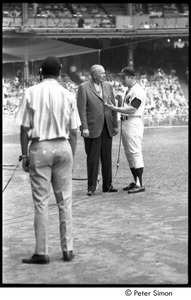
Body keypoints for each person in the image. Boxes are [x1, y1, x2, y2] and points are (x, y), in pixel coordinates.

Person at [14, 56, 81, 264]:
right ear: (59, 73)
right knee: (65, 201)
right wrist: (70, 153)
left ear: (41, 72)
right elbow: (74, 131)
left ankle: (42, 252)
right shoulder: (68, 94)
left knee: (41, 202)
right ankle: (68, 250)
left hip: (40, 147)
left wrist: (25, 155)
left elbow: (24, 128)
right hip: (63, 146)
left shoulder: (31, 92)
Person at [77, 64, 118, 196]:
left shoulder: (108, 86)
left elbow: (113, 106)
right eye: (102, 73)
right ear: (94, 75)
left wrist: (115, 124)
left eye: (105, 73)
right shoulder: (83, 88)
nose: (105, 75)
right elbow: (81, 110)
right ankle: (91, 187)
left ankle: (107, 185)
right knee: (93, 159)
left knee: (107, 158)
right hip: (92, 128)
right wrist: (84, 127)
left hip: (107, 126)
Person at [105, 66, 146, 193]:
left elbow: (132, 109)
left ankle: (140, 184)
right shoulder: (128, 90)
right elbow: (126, 105)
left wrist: (114, 109)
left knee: (135, 152)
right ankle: (136, 181)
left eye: (124, 77)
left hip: (133, 121)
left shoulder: (138, 90)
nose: (122, 79)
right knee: (129, 154)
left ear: (132, 77)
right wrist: (118, 101)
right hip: (126, 123)